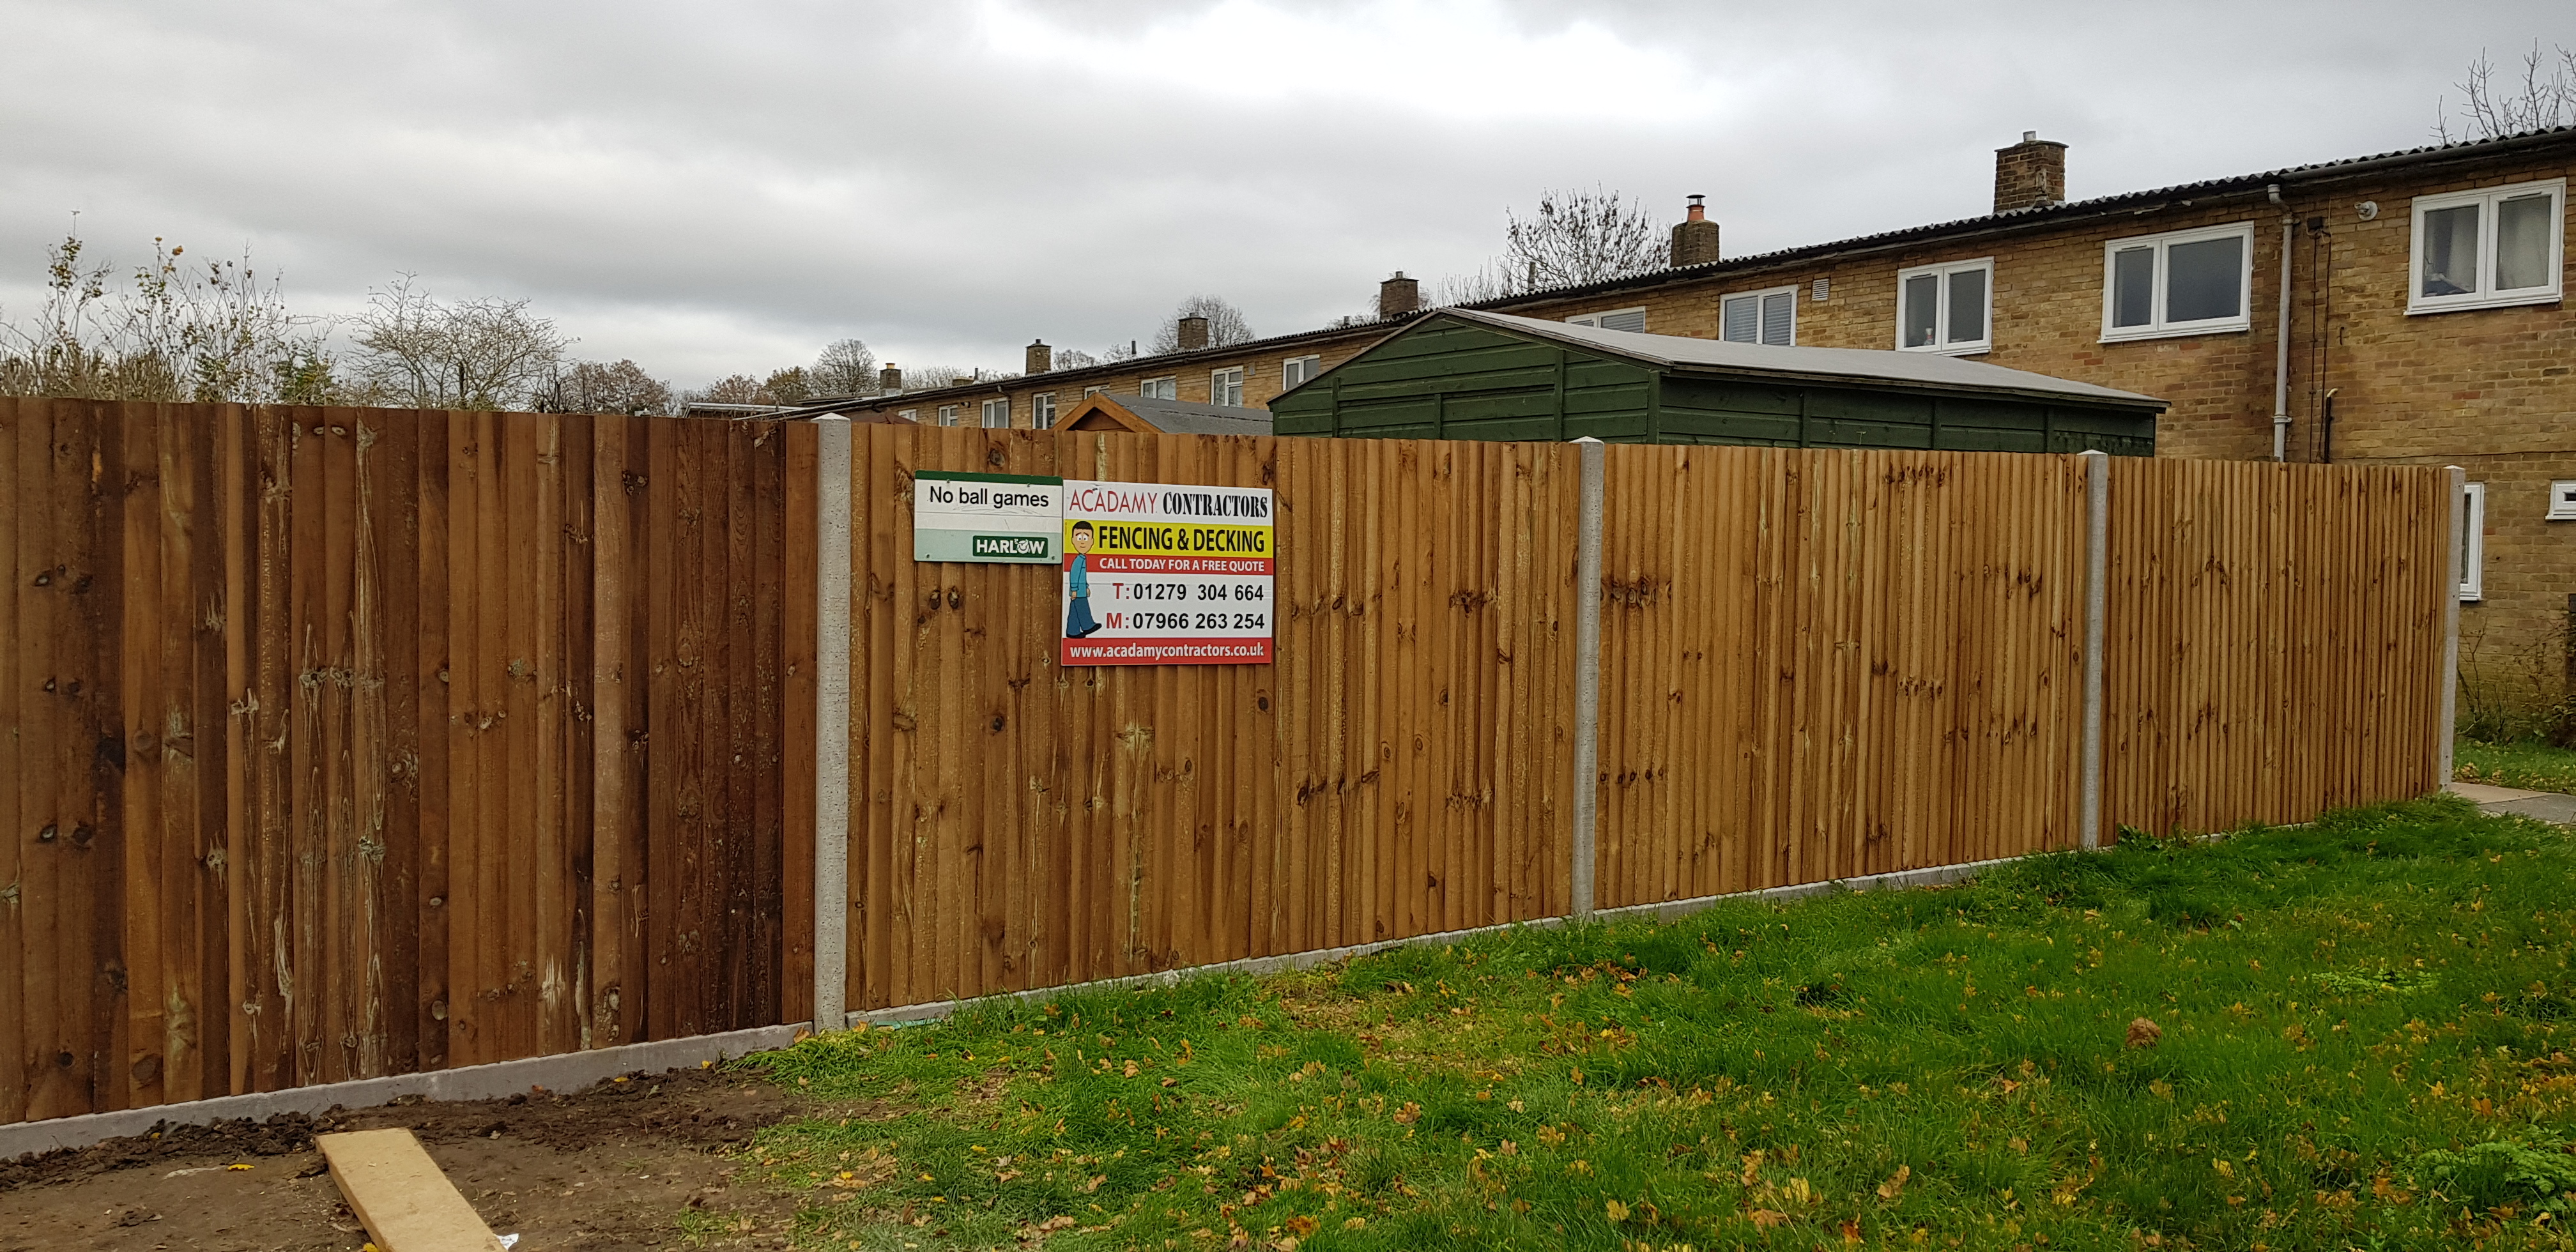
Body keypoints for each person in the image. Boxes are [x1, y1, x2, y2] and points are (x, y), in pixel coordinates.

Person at [1063, 521, 1102, 638]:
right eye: (1079, 537)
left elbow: (1082, 577)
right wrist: (1074, 589)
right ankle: (1087, 626)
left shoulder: (1082, 558)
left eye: (1086, 537)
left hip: (1081, 590)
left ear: (1092, 541)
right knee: (1082, 607)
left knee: (1074, 611)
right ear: (1073, 540)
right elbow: (1074, 575)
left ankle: (1072, 632)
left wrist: (1086, 587)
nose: (1082, 541)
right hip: (1078, 591)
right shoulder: (1078, 560)